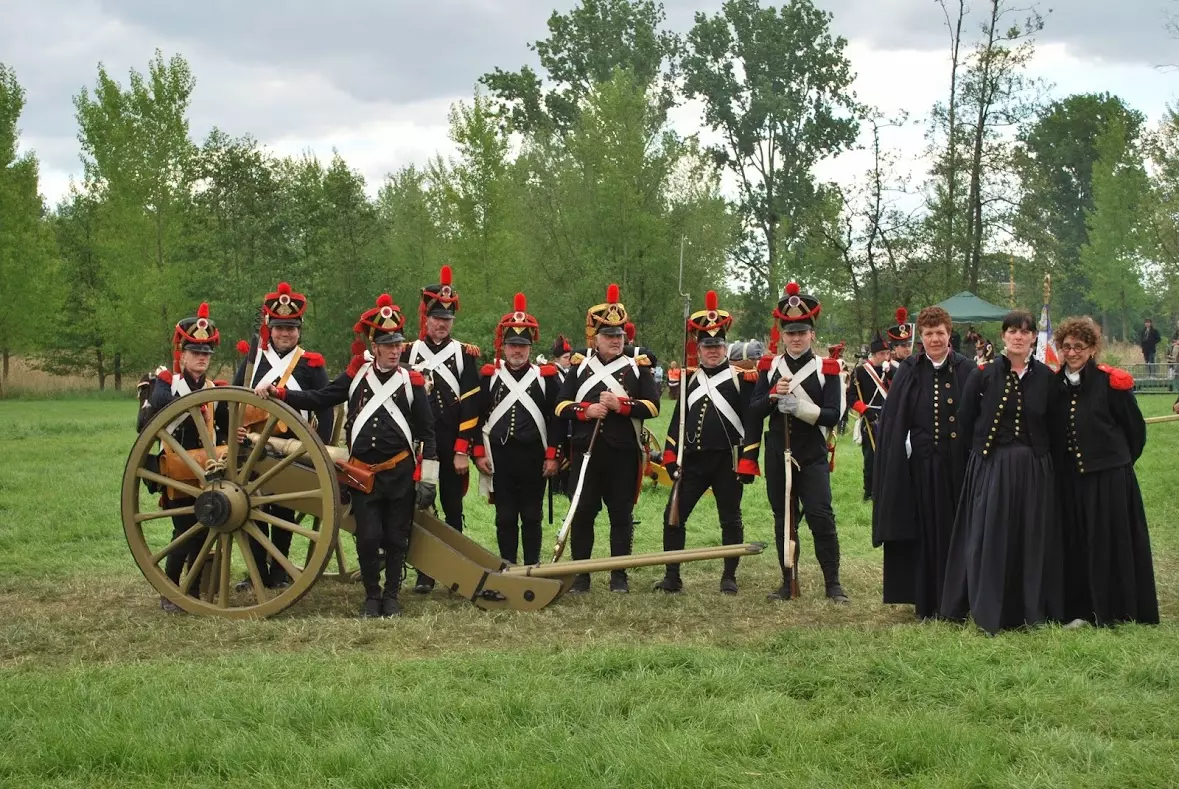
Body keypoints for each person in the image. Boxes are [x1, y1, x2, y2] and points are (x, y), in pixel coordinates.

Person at [258, 294, 437, 617]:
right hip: (363, 473)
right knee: (368, 538)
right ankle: (372, 596)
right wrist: (281, 393)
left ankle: (392, 597)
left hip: (399, 473)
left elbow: (428, 433)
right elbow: (319, 397)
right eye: (388, 344)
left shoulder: (412, 382)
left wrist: (428, 479)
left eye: (398, 344)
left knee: (396, 539)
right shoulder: (357, 377)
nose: (396, 350)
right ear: (375, 346)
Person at [940, 309, 1063, 634]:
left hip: (1035, 470)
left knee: (1031, 539)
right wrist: (984, 460)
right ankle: (989, 612)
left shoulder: (1048, 379)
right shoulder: (983, 376)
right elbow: (966, 423)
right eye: (1012, 331)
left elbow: (1055, 427)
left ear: (1034, 337)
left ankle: (1030, 610)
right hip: (992, 467)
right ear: (1004, 336)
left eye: (1025, 332)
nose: (1019, 337)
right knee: (991, 538)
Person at [1050, 316, 1158, 626]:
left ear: (1093, 347)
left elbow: (1134, 432)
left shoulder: (1112, 382)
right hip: (1071, 479)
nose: (1072, 353)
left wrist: (1117, 465)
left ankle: (1115, 609)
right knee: (1077, 543)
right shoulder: (1054, 384)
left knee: (1108, 543)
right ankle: (1081, 610)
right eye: (1066, 347)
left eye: (1078, 347)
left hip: (1109, 477)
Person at [555, 283, 660, 593]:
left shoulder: (637, 368)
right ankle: (582, 575)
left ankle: (619, 577)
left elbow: (653, 405)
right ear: (596, 338)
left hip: (623, 453)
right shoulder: (580, 366)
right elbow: (561, 405)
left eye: (620, 336)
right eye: (610, 336)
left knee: (620, 515)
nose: (616, 341)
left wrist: (622, 405)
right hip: (585, 452)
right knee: (583, 513)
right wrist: (585, 411)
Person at [748, 281, 849, 603]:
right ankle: (787, 580)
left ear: (812, 334)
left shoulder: (827, 369)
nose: (795, 338)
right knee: (784, 518)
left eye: (801, 332)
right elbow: (754, 409)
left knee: (820, 514)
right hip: (779, 450)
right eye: (790, 332)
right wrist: (773, 398)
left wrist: (802, 409)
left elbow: (833, 415)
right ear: (782, 334)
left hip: (812, 451)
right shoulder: (769, 367)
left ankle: (832, 583)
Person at [654, 291, 760, 594]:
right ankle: (672, 576)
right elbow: (677, 422)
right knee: (673, 517)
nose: (712, 351)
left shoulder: (742, 379)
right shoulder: (689, 380)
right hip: (693, 461)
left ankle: (729, 576)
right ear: (698, 349)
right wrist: (672, 456)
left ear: (725, 347)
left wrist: (748, 459)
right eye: (706, 346)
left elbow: (752, 423)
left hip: (727, 460)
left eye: (717, 345)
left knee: (730, 518)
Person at [872, 306, 972, 620]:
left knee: (955, 532)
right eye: (928, 334)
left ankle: (957, 600)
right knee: (925, 533)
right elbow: (893, 421)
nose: (934, 339)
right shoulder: (909, 370)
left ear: (949, 333)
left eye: (939, 333)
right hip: (920, 469)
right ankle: (925, 601)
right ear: (921, 338)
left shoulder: (967, 369)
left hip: (958, 469)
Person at [232, 281, 333, 591]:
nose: (285, 333)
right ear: (269, 328)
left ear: (299, 330)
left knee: (286, 511)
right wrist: (231, 433)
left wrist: (320, 446)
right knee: (254, 509)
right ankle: (258, 571)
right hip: (254, 451)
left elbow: (325, 406)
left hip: (294, 449)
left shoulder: (310, 364)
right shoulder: (254, 361)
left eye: (291, 328)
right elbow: (232, 400)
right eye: (279, 328)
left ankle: (279, 569)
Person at [145, 303, 228, 612]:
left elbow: (223, 424)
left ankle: (191, 591)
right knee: (183, 533)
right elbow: (162, 405)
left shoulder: (210, 387)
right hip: (179, 471)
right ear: (181, 353)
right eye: (195, 352)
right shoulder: (167, 382)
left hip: (207, 470)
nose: (202, 358)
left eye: (206, 353)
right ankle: (170, 592)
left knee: (204, 532)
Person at [405, 265, 481, 593]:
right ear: (426, 317)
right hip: (418, 443)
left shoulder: (464, 355)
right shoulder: (408, 352)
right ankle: (424, 572)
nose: (441, 325)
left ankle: (454, 570)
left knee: (452, 507)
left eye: (447, 320)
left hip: (451, 443)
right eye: (437, 318)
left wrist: (463, 448)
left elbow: (471, 406)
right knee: (419, 507)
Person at [471, 294, 560, 565]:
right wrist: (478, 452)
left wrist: (552, 455)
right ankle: (508, 564)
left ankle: (532, 565)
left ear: (530, 347)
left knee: (532, 516)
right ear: (504, 346)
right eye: (512, 345)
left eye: (522, 345)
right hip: (501, 455)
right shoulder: (490, 377)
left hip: (534, 455)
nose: (517, 351)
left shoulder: (545, 378)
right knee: (505, 516)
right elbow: (475, 417)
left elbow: (555, 419)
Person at [847, 329, 890, 501]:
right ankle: (869, 491)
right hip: (869, 416)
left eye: (887, 353)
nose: (885, 357)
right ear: (873, 354)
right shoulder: (861, 372)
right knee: (871, 457)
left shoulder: (890, 370)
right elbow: (851, 397)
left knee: (888, 455)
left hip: (888, 415)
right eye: (882, 353)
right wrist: (865, 411)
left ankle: (885, 489)